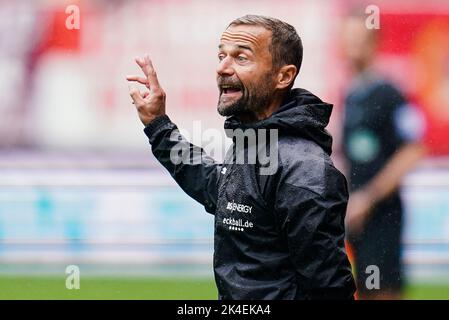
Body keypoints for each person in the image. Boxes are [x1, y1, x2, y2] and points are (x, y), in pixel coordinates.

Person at [127, 15, 355, 300]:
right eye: (221, 55)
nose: (222, 68)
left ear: (283, 76)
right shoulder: (255, 140)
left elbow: (329, 289)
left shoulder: (303, 171)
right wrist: (158, 125)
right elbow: (220, 190)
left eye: (241, 58)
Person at [341, 14, 426, 300]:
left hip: (382, 215)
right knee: (361, 290)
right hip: (354, 216)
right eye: (348, 39)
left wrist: (370, 196)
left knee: (383, 292)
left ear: (374, 43)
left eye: (359, 40)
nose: (352, 46)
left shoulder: (390, 93)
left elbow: (414, 149)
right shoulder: (350, 95)